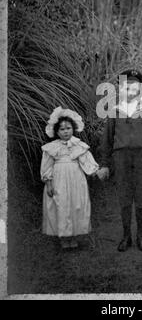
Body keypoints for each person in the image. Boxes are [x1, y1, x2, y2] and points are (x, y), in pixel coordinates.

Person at [98, 70, 142, 252]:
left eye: (134, 87)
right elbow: (107, 140)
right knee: (124, 197)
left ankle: (141, 236)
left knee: (141, 197)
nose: (130, 90)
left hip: (141, 158)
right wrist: (105, 164)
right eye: (126, 87)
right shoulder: (115, 111)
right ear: (120, 89)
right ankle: (126, 236)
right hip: (121, 158)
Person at [41, 107, 100, 250]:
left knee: (76, 205)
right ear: (56, 132)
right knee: (62, 205)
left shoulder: (78, 146)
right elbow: (47, 167)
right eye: (62, 129)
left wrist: (95, 172)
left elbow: (87, 161)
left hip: (76, 179)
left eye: (68, 128)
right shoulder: (52, 148)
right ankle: (64, 237)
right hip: (59, 180)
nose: (65, 131)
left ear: (73, 129)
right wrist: (49, 183)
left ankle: (74, 236)